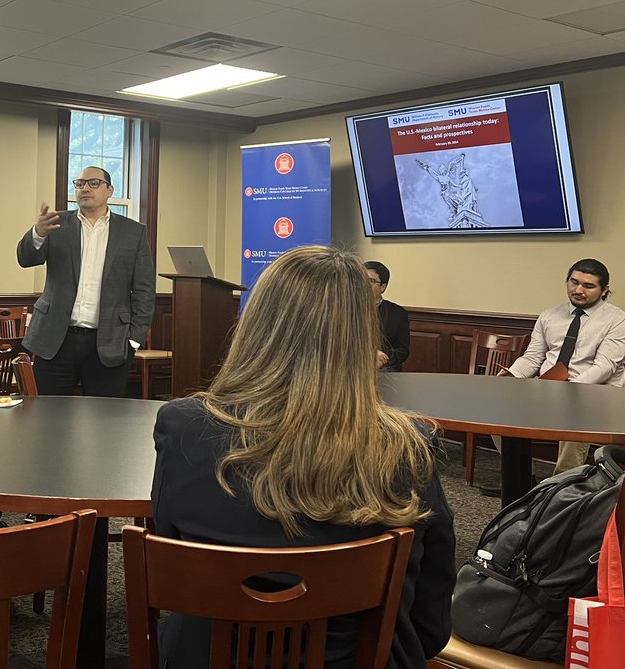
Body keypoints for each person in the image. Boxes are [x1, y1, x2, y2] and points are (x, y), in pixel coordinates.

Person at [151, 246, 454, 668]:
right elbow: (431, 619)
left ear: (255, 324)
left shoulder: (184, 427)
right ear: (363, 333)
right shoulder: (409, 444)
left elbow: (173, 557)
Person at [16, 166, 155, 397]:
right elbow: (26, 259)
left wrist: (134, 341)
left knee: (103, 422)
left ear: (110, 190)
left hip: (109, 342)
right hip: (56, 341)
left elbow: (144, 290)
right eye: (79, 184)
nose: (85, 189)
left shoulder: (133, 232)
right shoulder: (56, 223)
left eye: (93, 183)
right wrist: (37, 233)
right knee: (46, 419)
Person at [501, 258, 625, 475]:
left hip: (595, 392)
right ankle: (521, 478)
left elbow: (605, 366)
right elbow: (533, 357)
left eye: (588, 286)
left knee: (578, 414)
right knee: (497, 411)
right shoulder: (549, 315)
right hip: (548, 388)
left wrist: (568, 390)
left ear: (604, 290)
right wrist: (513, 373)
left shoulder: (618, 320)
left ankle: (561, 486)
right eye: (574, 282)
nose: (578, 290)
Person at [364, 260, 410, 372]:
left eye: (370, 281)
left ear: (382, 287)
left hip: (384, 369)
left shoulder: (397, 314)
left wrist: (381, 357)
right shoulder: (345, 309)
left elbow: (402, 351)